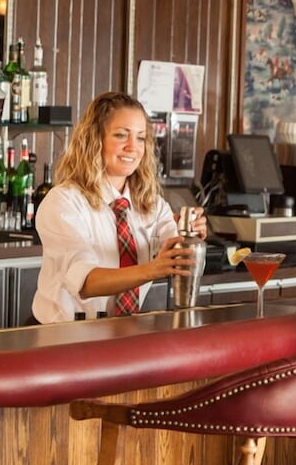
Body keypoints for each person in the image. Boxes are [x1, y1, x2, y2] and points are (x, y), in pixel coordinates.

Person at [32, 91, 206, 324]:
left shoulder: (152, 204)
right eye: (121, 135)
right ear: (95, 139)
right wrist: (152, 269)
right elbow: (86, 282)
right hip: (64, 335)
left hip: (124, 331)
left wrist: (189, 235)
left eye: (140, 138)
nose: (133, 147)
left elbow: (178, 255)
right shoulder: (63, 202)